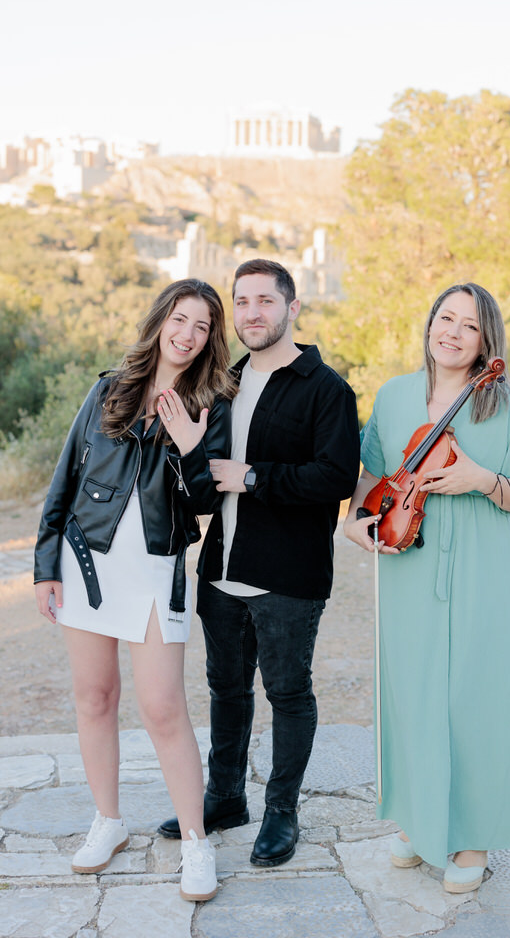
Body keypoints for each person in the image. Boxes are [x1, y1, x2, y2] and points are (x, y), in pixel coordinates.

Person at [34, 278, 233, 902]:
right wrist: (45, 566)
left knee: (163, 708)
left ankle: (197, 843)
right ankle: (108, 821)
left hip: (155, 566)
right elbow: (64, 478)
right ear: (160, 321)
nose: (187, 334)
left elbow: (204, 506)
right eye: (180, 319)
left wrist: (192, 446)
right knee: (94, 697)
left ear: (209, 339)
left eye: (202, 326)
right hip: (85, 561)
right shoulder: (108, 389)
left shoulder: (211, 404)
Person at [158, 259, 361, 865]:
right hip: (219, 568)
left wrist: (249, 477)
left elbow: (334, 479)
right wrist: (195, 455)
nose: (251, 313)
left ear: (291, 308)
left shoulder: (328, 389)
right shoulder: (221, 386)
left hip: (289, 576)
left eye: (264, 301)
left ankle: (281, 812)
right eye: (241, 302)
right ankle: (224, 799)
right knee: (225, 688)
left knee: (288, 692)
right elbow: (201, 491)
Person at [343, 282, 510, 895]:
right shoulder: (396, 395)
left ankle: (474, 835)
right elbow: (375, 479)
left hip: (480, 568)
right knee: (416, 693)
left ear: (487, 342)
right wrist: (358, 523)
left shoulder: (504, 405)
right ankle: (420, 820)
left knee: (476, 698)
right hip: (410, 563)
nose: (452, 332)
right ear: (430, 324)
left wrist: (482, 478)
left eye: (469, 325)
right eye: (444, 318)